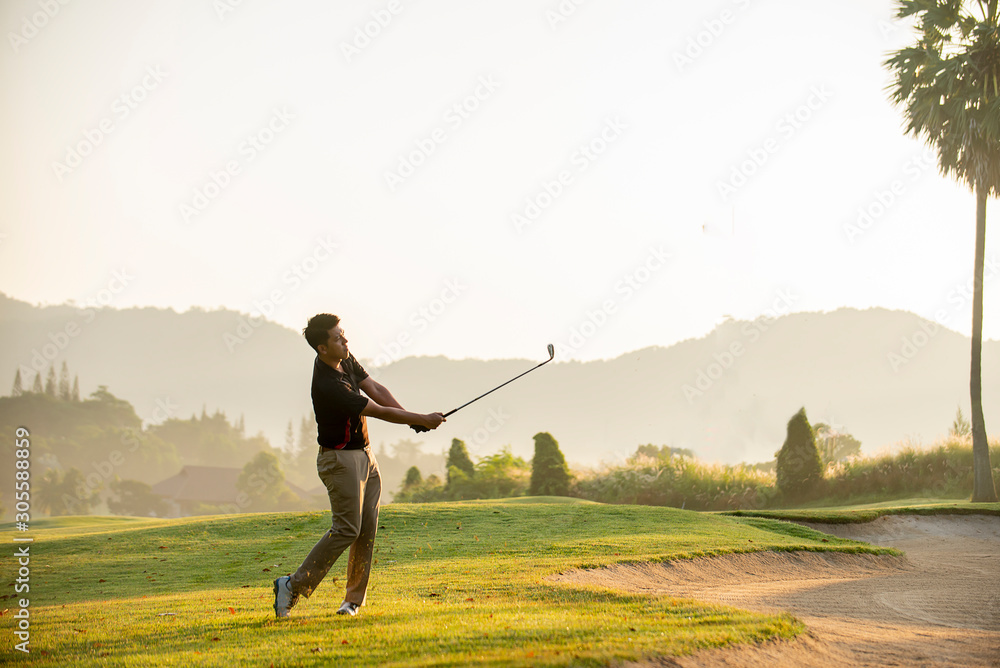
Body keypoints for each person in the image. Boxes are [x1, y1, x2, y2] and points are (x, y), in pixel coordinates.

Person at [273, 313, 445, 618]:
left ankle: (352, 601)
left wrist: (412, 419)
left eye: (343, 334)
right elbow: (376, 409)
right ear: (323, 348)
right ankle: (292, 585)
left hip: (365, 455)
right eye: (338, 338)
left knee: (366, 530)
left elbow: (375, 388)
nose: (345, 341)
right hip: (339, 460)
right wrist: (420, 419)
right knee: (347, 529)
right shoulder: (329, 384)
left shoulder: (345, 359)